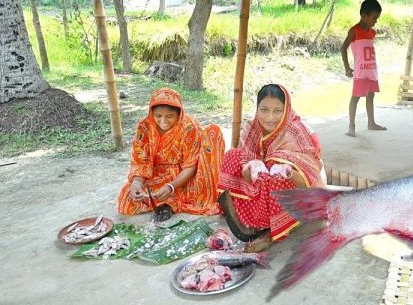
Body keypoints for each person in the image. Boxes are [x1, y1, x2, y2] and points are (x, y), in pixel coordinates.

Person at [218, 84, 326, 252]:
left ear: (287, 110)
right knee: (233, 155)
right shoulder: (252, 127)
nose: (270, 117)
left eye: (278, 111)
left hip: (297, 191)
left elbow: (308, 182)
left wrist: (287, 171)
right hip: (262, 186)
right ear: (257, 109)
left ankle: (277, 227)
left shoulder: (297, 131)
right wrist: (251, 167)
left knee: (274, 169)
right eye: (264, 110)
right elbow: (247, 172)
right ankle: (255, 219)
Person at [117, 88, 224, 217]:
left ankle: (170, 202)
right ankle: (168, 202)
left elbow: (190, 166)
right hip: (159, 176)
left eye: (169, 116)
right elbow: (141, 164)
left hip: (187, 177)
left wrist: (171, 186)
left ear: (179, 114)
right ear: (151, 113)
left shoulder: (189, 126)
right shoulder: (145, 127)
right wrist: (136, 184)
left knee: (213, 131)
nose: (163, 121)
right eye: (158, 116)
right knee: (128, 198)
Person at [341, 0, 388, 137]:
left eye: (377, 18)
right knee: (356, 97)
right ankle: (351, 126)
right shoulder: (354, 31)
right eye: (374, 18)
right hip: (360, 71)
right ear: (363, 16)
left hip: (371, 70)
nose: (376, 21)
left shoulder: (372, 32)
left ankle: (371, 123)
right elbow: (343, 48)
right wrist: (347, 68)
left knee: (371, 95)